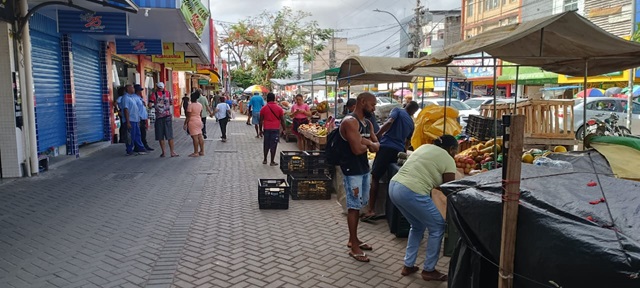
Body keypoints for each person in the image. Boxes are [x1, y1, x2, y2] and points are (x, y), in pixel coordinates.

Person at [389, 135, 459, 282]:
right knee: (437, 226)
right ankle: (429, 270)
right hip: (411, 191)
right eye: (455, 150)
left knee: (417, 225)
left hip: (394, 186)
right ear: (451, 149)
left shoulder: (423, 147)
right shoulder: (448, 159)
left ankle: (408, 265)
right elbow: (448, 188)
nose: (455, 153)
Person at [362, 101, 419, 220]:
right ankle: (389, 211)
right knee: (391, 180)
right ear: (414, 112)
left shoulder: (398, 110)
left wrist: (377, 135)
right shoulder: (411, 123)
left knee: (376, 177)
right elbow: (407, 142)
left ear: (405, 105)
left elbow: (389, 122)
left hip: (386, 147)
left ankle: (371, 210)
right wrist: (402, 151)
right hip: (397, 151)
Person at [340, 92, 379, 263]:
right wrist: (368, 143)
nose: (374, 108)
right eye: (372, 104)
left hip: (363, 168)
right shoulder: (350, 122)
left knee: (359, 205)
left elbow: (377, 147)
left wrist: (367, 143)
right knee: (354, 207)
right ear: (362, 102)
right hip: (351, 170)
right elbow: (357, 149)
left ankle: (354, 240)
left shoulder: (367, 123)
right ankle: (353, 246)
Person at [149, 82, 179, 157]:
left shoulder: (154, 94)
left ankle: (163, 152)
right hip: (167, 116)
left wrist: (155, 107)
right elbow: (171, 102)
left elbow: (150, 105)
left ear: (156, 87)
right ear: (164, 87)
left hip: (159, 117)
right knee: (169, 135)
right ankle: (172, 152)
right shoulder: (168, 93)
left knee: (160, 135)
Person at [259, 92, 285, 166]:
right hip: (275, 129)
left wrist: (260, 130)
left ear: (267, 99)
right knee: (274, 144)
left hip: (266, 128)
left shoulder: (263, 108)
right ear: (274, 99)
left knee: (266, 144)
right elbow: (282, 120)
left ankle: (265, 159)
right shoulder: (279, 108)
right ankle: (272, 161)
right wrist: (284, 129)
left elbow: (260, 121)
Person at [121, 84, 147, 156]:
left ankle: (141, 148)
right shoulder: (125, 98)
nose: (133, 89)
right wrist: (128, 122)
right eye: (132, 87)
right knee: (130, 136)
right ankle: (129, 150)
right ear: (128, 89)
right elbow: (126, 110)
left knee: (137, 135)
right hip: (130, 120)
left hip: (135, 120)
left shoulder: (132, 97)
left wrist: (138, 120)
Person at [184, 91, 204, 157]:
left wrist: (185, 124)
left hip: (192, 122)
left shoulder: (190, 106)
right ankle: (202, 151)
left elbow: (188, 116)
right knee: (200, 136)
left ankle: (196, 152)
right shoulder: (200, 105)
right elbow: (200, 114)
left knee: (195, 137)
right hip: (199, 120)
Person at [134, 84, 154, 151]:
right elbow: (135, 109)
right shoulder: (134, 98)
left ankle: (144, 145)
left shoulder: (139, 97)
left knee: (143, 133)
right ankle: (139, 147)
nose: (140, 91)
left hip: (143, 118)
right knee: (140, 134)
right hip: (139, 118)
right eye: (139, 90)